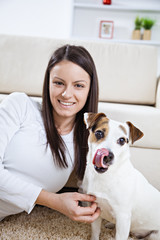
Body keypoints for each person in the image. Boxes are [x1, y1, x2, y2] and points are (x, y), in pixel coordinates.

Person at [0, 44, 100, 223]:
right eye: (59, 83)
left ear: (89, 89)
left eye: (78, 85)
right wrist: (54, 201)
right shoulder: (20, 105)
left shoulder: (85, 142)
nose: (66, 94)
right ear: (48, 83)